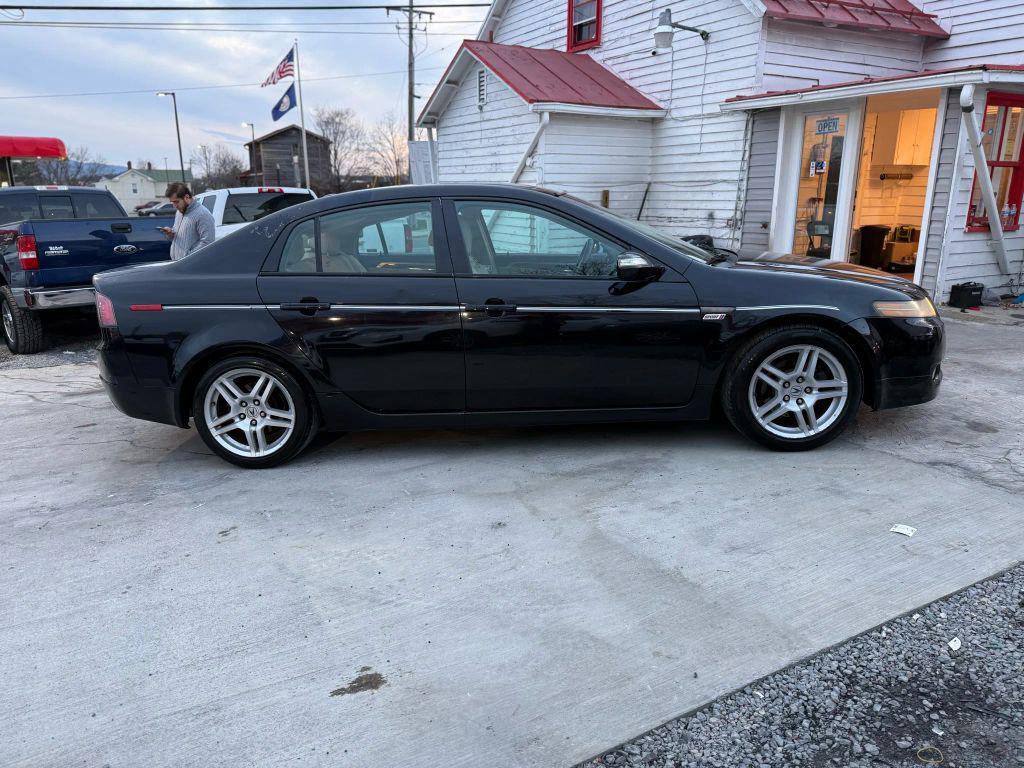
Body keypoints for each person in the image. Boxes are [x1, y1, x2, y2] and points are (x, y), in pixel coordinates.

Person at [159, 182, 215, 261]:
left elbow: (208, 242)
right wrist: (170, 233)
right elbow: (180, 235)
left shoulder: (203, 214)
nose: (174, 206)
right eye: (172, 202)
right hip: (178, 264)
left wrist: (188, 257)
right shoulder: (179, 212)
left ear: (187, 197)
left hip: (192, 266)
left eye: (176, 202)